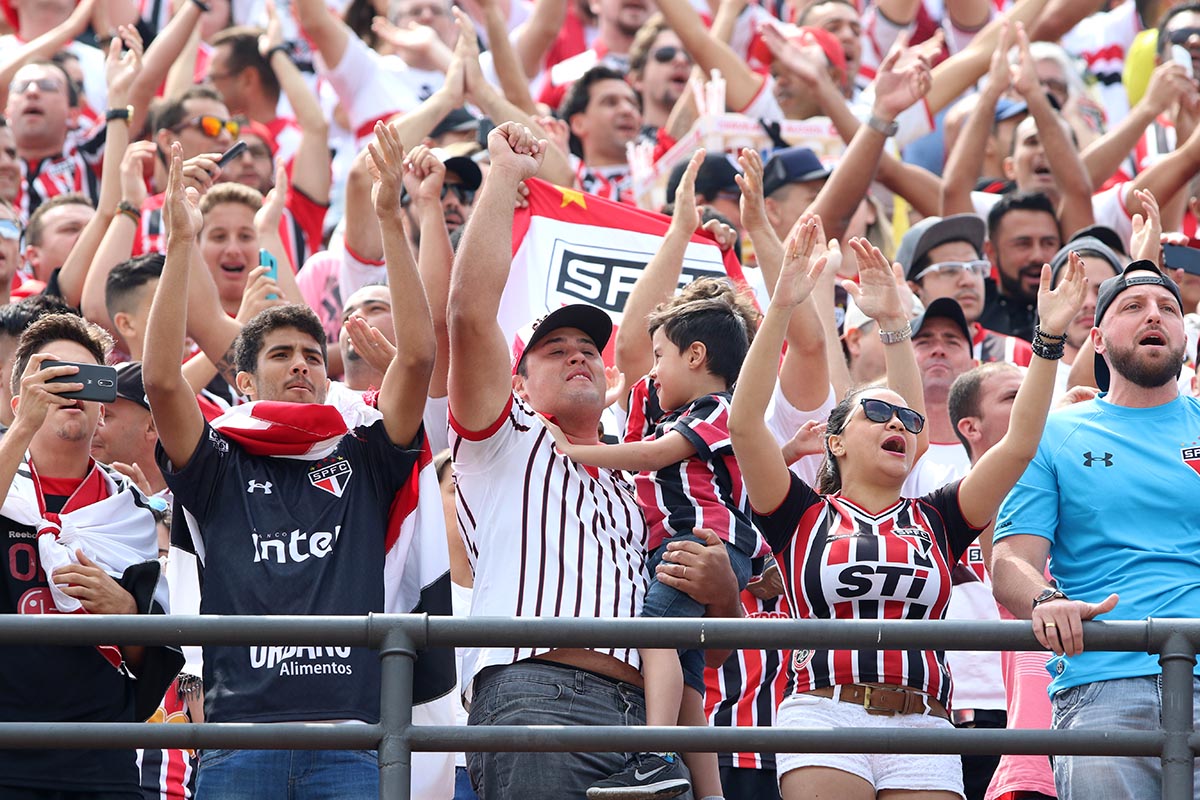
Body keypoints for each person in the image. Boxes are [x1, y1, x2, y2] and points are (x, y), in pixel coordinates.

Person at [728, 218, 1086, 800]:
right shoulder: (798, 515)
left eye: (909, 420)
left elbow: (1020, 443)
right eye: (878, 414)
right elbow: (744, 424)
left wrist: (1046, 339)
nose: (898, 422)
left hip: (926, 723)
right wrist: (783, 308)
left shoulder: (938, 518)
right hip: (824, 714)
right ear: (835, 440)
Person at [447, 120, 739, 800]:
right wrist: (501, 176)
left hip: (651, 727)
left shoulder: (641, 480)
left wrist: (723, 592)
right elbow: (466, 314)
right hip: (536, 699)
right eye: (555, 349)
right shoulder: (504, 438)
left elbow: (707, 650)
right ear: (517, 383)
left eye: (587, 345)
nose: (579, 352)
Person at [144, 124, 439, 795]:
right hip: (239, 736)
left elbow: (418, 358)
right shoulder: (216, 458)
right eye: (280, 355)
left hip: (350, 736)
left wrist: (392, 219)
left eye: (312, 354)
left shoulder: (362, 450)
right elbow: (161, 381)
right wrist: (181, 244)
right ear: (242, 381)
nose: (302, 365)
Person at [540, 287, 767, 800]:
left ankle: (654, 756)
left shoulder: (716, 409)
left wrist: (576, 448)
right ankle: (711, 792)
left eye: (661, 356)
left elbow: (650, 456)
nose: (654, 370)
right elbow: (645, 423)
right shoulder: (677, 407)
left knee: (653, 635)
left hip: (700, 542)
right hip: (685, 545)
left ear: (695, 356)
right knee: (688, 681)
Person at [992, 261, 1200, 799]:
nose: (1154, 315)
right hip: (1100, 685)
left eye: (1168, 308)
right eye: (1133, 307)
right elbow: (1010, 560)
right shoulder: (1052, 434)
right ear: (1099, 340)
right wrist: (1044, 599)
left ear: (1184, 335)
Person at [0, 312, 182, 797]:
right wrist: (19, 431)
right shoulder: (5, 487)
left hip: (100, 757)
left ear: (103, 408)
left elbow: (154, 659)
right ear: (20, 402)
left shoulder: (133, 511)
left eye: (85, 378)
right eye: (52, 377)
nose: (70, 390)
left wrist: (125, 612)